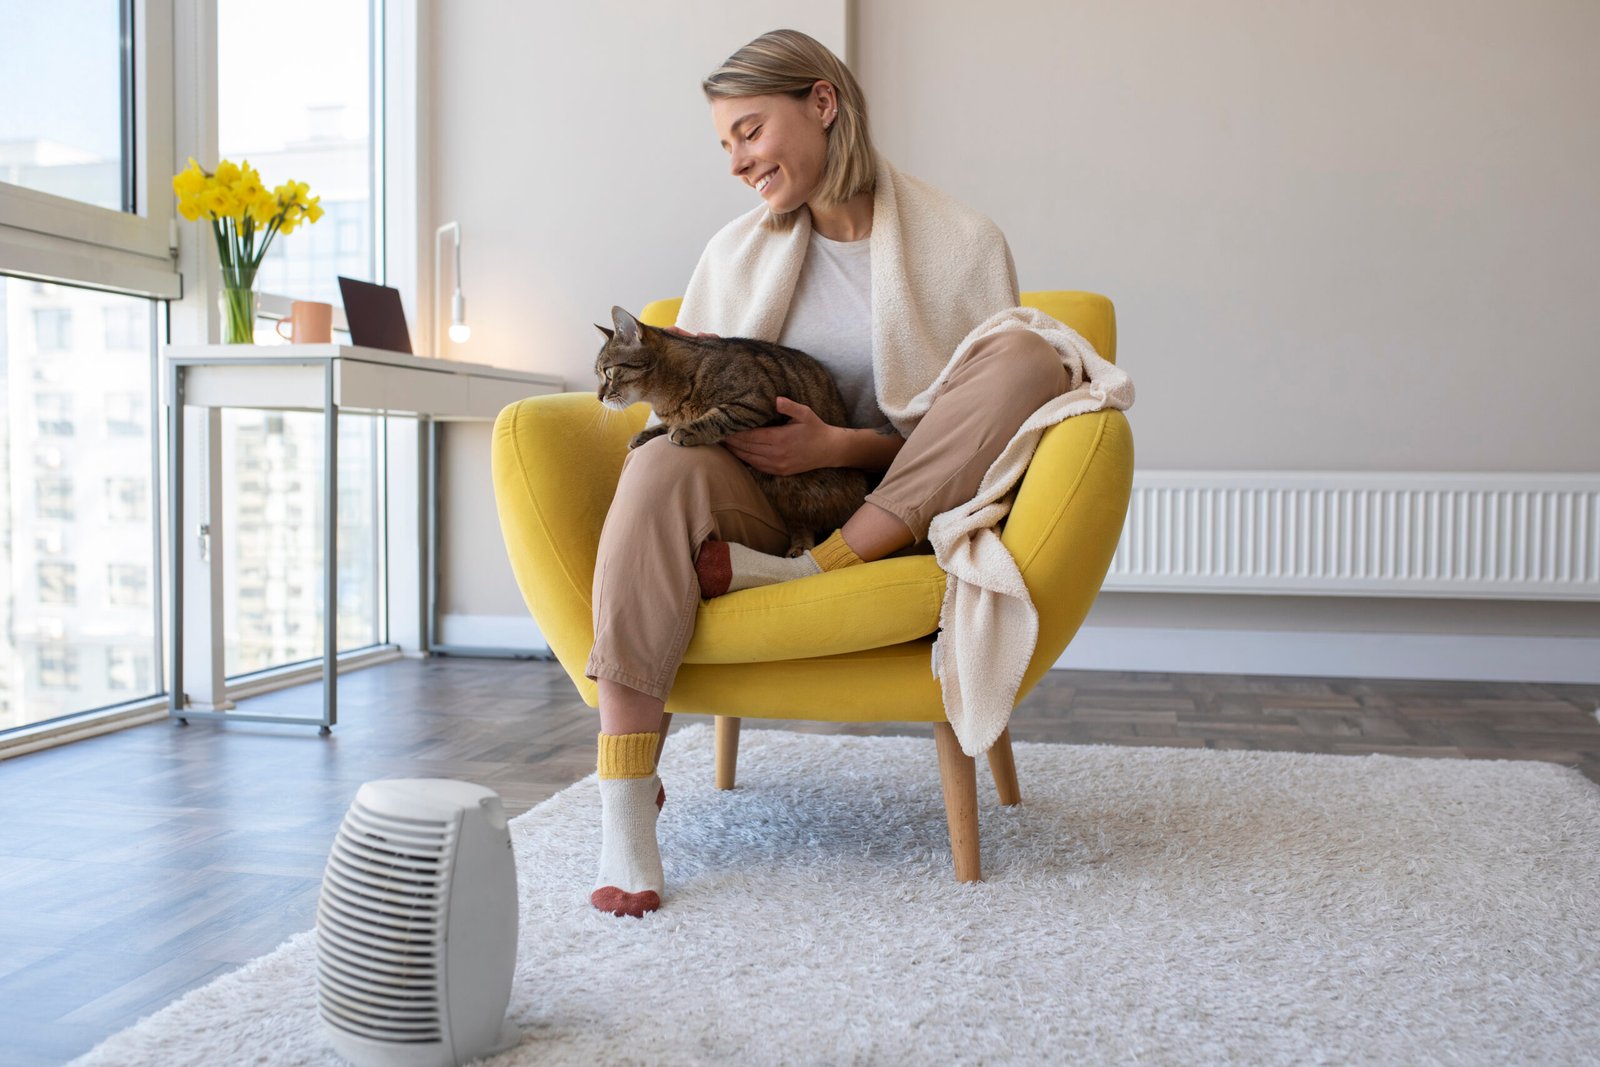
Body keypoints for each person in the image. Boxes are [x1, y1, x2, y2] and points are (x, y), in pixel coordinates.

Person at [585, 29, 1069, 918]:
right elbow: (689, 410)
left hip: (896, 508)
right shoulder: (731, 255)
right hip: (764, 497)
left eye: (749, 131)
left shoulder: (962, 243)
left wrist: (840, 448)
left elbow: (981, 441)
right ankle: (625, 794)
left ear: (822, 103)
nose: (736, 161)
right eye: (724, 142)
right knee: (656, 469)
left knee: (1034, 358)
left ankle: (825, 565)